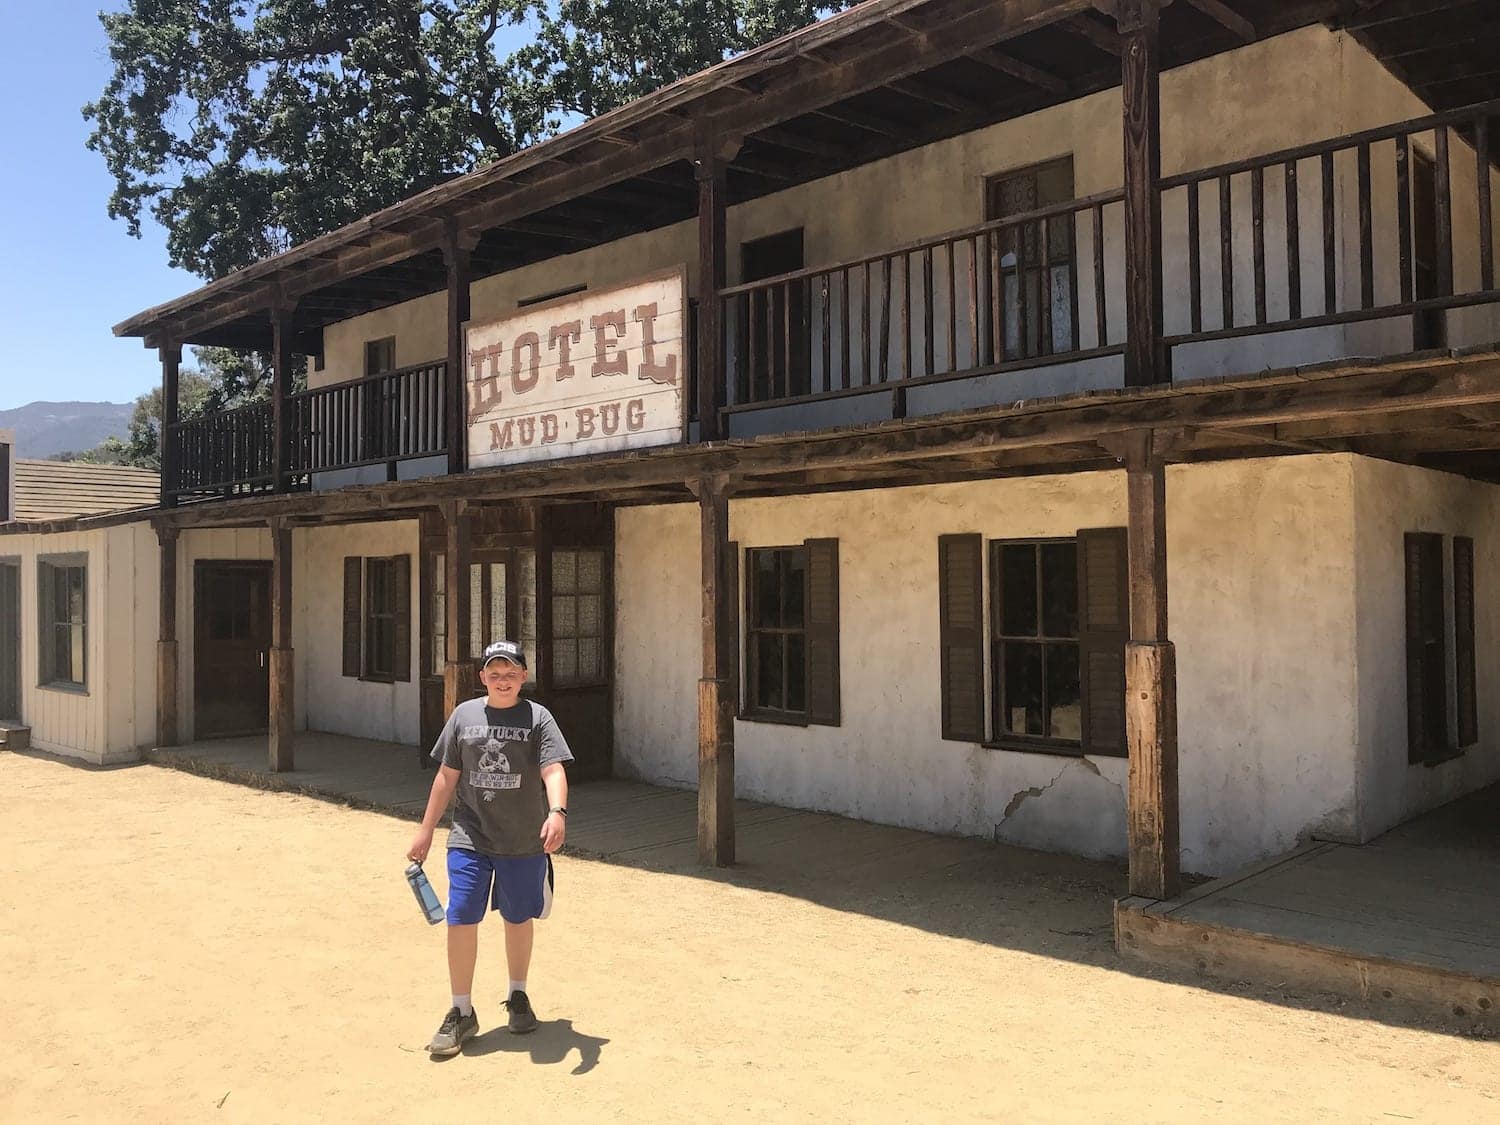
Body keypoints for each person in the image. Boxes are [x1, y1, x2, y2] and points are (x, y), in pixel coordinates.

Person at [406, 639, 572, 1056]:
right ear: (482, 678)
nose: (503, 680)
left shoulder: (538, 718)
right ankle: (461, 1011)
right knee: (460, 915)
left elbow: (553, 768)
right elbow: (446, 777)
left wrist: (557, 812)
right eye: (494, 674)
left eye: (510, 673)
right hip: (470, 835)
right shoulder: (464, 716)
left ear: (523, 676)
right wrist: (426, 830)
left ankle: (518, 996)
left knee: (518, 916)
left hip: (523, 839)